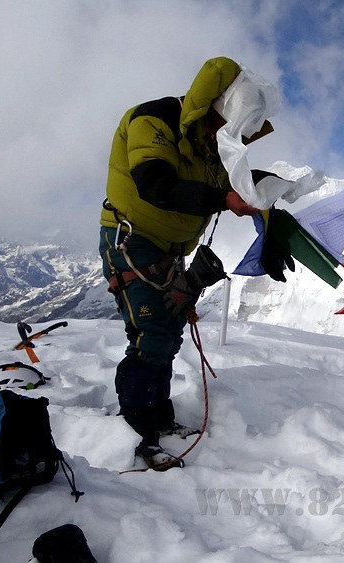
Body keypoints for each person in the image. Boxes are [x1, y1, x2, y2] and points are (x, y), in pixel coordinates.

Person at [98, 57, 293, 470]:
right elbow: (155, 185)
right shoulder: (152, 121)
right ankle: (136, 434)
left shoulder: (212, 145)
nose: (228, 136)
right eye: (227, 126)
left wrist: (270, 219)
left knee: (167, 332)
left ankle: (160, 419)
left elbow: (236, 183)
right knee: (151, 334)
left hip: (169, 250)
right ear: (211, 109)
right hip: (132, 242)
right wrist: (223, 199)